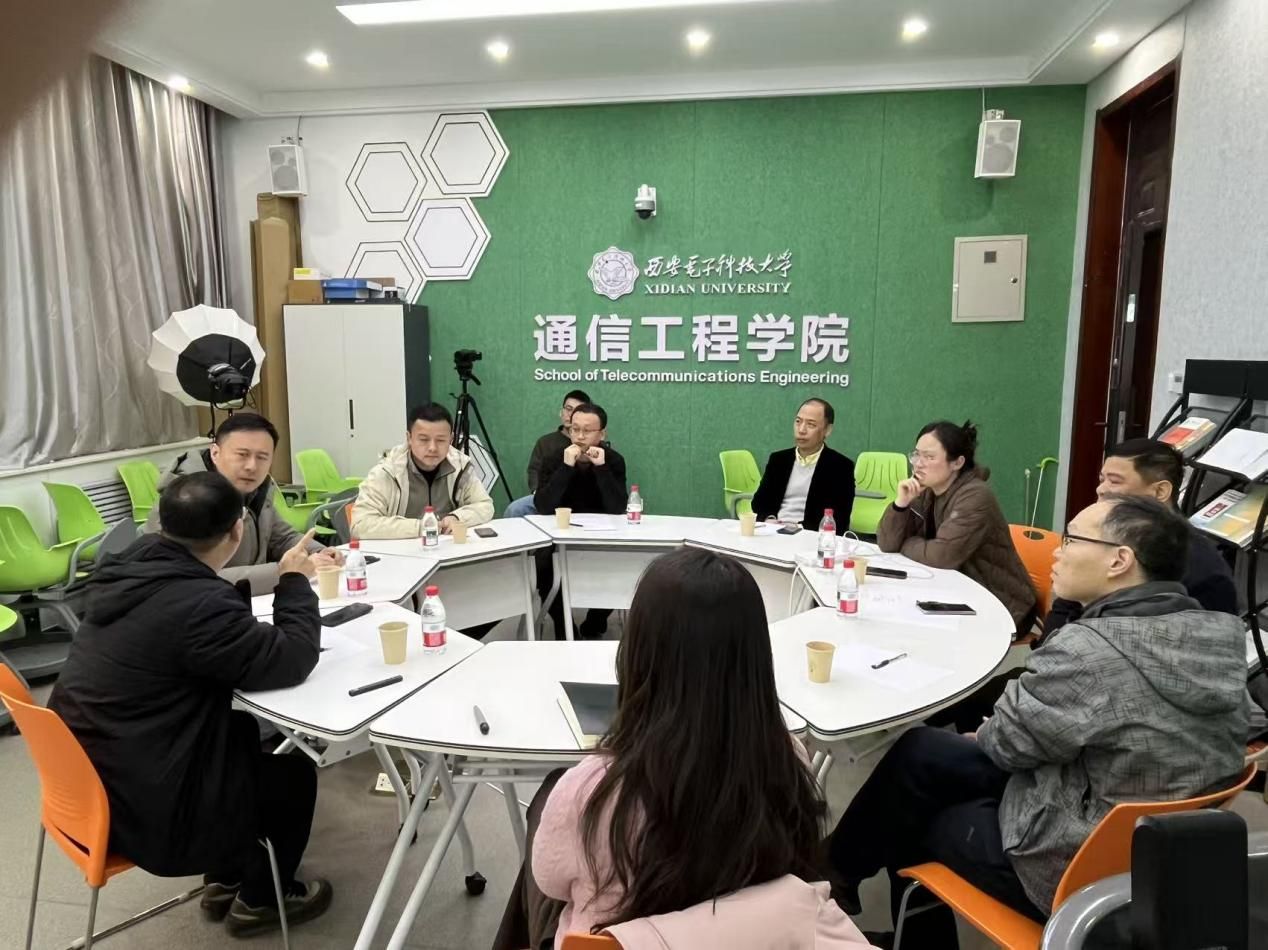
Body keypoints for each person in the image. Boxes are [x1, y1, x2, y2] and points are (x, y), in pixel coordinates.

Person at [826, 494, 1248, 947]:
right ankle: (833, 874)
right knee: (923, 750)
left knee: (915, 813)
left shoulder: (1090, 651)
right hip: (1155, 852)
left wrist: (995, 727)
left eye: (1072, 539)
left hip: (1074, 865)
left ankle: (855, 900)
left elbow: (1006, 745)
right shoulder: (1217, 637)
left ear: (1120, 561)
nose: (1056, 553)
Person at [494, 547, 873, 950]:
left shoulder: (590, 790)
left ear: (639, 654)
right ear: (755, 659)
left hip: (617, 941)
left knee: (547, 817)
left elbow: (549, 881)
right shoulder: (788, 758)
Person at [50, 471, 333, 938]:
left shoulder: (126, 570)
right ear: (237, 531)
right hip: (147, 810)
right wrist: (293, 582)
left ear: (162, 524)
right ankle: (263, 900)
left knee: (238, 737)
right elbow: (292, 659)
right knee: (291, 776)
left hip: (88, 779)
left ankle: (226, 876)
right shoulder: (198, 603)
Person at [1044, 437, 1237, 632]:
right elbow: (1066, 605)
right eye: (1102, 479)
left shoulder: (1202, 567)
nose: (1100, 489)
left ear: (1160, 491)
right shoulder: (1102, 532)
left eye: (1115, 481)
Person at [145, 412, 338, 595]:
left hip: (251, 600)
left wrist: (320, 552)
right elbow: (188, 579)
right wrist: (282, 572)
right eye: (242, 455)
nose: (252, 466)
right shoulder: (183, 501)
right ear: (215, 453)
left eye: (262, 457)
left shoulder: (257, 489)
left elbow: (280, 537)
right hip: (204, 607)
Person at [878, 419, 1037, 632]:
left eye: (929, 457)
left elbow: (941, 556)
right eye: (916, 454)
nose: (918, 464)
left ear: (957, 463)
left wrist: (906, 543)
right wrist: (901, 504)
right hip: (955, 594)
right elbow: (887, 543)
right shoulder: (925, 490)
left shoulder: (976, 496)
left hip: (1003, 605)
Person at [534, 402, 627, 639]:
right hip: (561, 537)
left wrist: (601, 469)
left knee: (621, 566)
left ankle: (594, 624)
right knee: (544, 567)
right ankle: (564, 628)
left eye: (587, 431)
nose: (580, 436)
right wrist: (566, 468)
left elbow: (618, 508)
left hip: (602, 538)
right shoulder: (555, 459)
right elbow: (543, 507)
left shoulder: (613, 460)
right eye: (574, 429)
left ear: (602, 434)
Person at [353, 402, 494, 539]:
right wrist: (421, 527)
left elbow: (485, 505)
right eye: (424, 440)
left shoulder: (460, 466)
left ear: (451, 440)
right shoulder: (387, 472)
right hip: (401, 549)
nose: (432, 448)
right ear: (409, 438)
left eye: (440, 440)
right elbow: (360, 525)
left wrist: (456, 517)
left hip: (447, 547)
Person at [751, 398, 855, 533]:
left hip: (811, 535)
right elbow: (759, 502)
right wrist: (769, 519)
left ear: (827, 430)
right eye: (798, 421)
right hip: (774, 530)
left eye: (811, 424)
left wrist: (799, 528)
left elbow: (840, 517)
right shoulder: (779, 460)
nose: (801, 430)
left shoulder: (840, 466)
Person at [505, 389, 592, 519]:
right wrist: (538, 492)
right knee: (516, 509)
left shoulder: (591, 441)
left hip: (581, 496)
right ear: (561, 412)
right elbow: (534, 470)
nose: (571, 414)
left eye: (577, 410)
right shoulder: (546, 442)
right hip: (548, 494)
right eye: (568, 409)